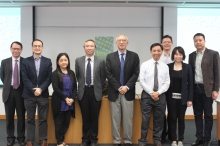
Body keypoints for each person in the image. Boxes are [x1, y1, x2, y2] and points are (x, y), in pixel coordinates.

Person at [106, 35, 140, 145]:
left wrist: (126, 87)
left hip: (128, 92)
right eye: (119, 40)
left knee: (128, 119)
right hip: (114, 92)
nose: (121, 42)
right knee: (115, 119)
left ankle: (127, 141)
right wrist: (118, 87)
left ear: (127, 43)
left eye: (124, 40)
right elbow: (108, 74)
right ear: (116, 43)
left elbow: (136, 73)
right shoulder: (110, 57)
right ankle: (116, 141)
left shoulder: (134, 56)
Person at [189, 33, 220, 146]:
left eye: (200, 40)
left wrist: (216, 90)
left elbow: (217, 73)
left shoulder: (213, 54)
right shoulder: (191, 55)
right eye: (196, 40)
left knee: (208, 115)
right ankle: (199, 138)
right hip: (196, 89)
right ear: (194, 42)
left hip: (208, 89)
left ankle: (207, 138)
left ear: (204, 41)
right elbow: (191, 74)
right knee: (197, 115)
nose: (198, 42)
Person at [75, 39, 106, 146]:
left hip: (95, 91)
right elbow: (78, 76)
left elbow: (103, 78)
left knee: (94, 116)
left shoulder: (101, 61)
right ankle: (85, 138)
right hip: (83, 92)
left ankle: (93, 139)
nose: (89, 48)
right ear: (84, 48)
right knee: (85, 116)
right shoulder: (78, 60)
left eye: (91, 46)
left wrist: (97, 87)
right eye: (87, 46)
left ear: (95, 48)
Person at [138, 43, 170, 146]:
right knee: (145, 119)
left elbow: (167, 82)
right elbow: (142, 81)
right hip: (147, 96)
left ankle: (157, 139)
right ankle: (143, 140)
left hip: (160, 96)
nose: (156, 52)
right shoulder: (145, 64)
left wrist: (158, 93)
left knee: (159, 119)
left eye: (158, 51)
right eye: (154, 51)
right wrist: (152, 92)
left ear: (161, 52)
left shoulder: (165, 66)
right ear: (151, 52)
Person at [22, 39, 52, 146]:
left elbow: (49, 78)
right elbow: (24, 78)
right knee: (30, 119)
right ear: (32, 48)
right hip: (29, 94)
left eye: (39, 46)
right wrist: (34, 89)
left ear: (42, 48)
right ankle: (30, 140)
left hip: (43, 94)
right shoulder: (25, 61)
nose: (37, 48)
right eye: (35, 46)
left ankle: (43, 140)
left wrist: (41, 89)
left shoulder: (48, 61)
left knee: (43, 119)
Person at [166, 46, 193, 146]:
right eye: (176, 54)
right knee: (172, 118)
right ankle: (173, 139)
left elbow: (190, 84)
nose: (178, 56)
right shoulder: (168, 66)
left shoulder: (187, 67)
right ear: (173, 55)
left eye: (180, 54)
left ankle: (180, 139)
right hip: (171, 98)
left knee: (181, 119)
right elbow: (165, 83)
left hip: (183, 99)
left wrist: (190, 99)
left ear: (183, 55)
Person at [0, 41, 26, 146]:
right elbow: (3, 77)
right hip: (9, 92)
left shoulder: (25, 62)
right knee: (9, 117)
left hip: (21, 92)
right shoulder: (4, 62)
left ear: (21, 50)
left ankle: (21, 137)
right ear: (11, 49)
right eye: (14, 48)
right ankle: (10, 137)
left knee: (21, 117)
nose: (16, 50)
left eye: (18, 49)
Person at [51, 53, 77, 146]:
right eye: (61, 60)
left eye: (65, 60)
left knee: (66, 122)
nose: (63, 62)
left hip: (70, 101)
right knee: (59, 123)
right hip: (60, 100)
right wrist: (66, 98)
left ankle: (61, 141)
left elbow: (75, 88)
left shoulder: (72, 73)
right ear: (58, 62)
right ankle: (59, 142)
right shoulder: (55, 73)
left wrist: (72, 99)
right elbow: (56, 89)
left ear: (68, 61)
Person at [160, 35, 173, 142]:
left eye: (169, 42)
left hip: (173, 88)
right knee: (161, 112)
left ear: (172, 43)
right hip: (162, 88)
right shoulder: (159, 56)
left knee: (172, 112)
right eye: (165, 42)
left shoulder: (176, 55)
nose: (167, 44)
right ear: (162, 44)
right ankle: (163, 134)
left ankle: (171, 134)